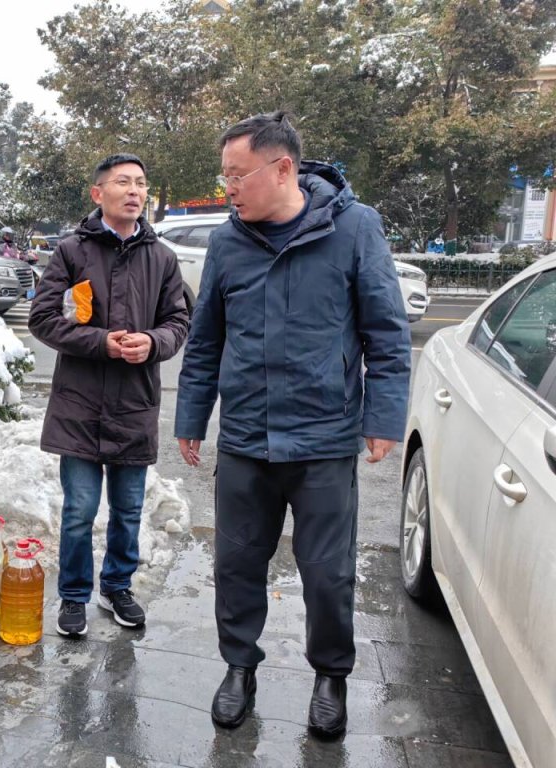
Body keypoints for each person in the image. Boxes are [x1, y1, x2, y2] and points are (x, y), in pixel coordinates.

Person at [174, 112, 410, 737]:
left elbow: (386, 335)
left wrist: (383, 417)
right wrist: (192, 416)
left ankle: (330, 675)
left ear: (282, 169)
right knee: (236, 563)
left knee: (328, 572)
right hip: (247, 437)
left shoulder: (354, 228)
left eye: (236, 175)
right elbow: (205, 339)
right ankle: (239, 667)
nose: (228, 188)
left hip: (324, 438)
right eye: (224, 175)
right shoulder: (228, 241)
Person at [29, 153, 190, 637]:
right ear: (98, 193)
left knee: (129, 509)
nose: (135, 191)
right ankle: (74, 594)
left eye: (141, 183)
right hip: (78, 404)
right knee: (79, 511)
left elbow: (179, 321)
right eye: (123, 182)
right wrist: (101, 342)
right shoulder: (71, 252)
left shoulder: (162, 257)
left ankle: (117, 586)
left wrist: (153, 343)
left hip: (134, 403)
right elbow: (44, 319)